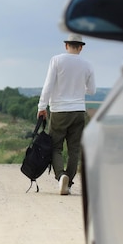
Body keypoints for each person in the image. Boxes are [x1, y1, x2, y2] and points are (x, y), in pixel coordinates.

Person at [37, 33, 95, 195]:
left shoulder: (57, 60)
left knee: (56, 147)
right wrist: (78, 89)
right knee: (74, 149)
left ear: (66, 45)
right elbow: (92, 90)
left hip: (59, 111)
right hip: (78, 111)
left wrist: (42, 107)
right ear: (81, 47)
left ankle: (61, 175)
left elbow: (48, 85)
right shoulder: (87, 65)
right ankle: (68, 183)